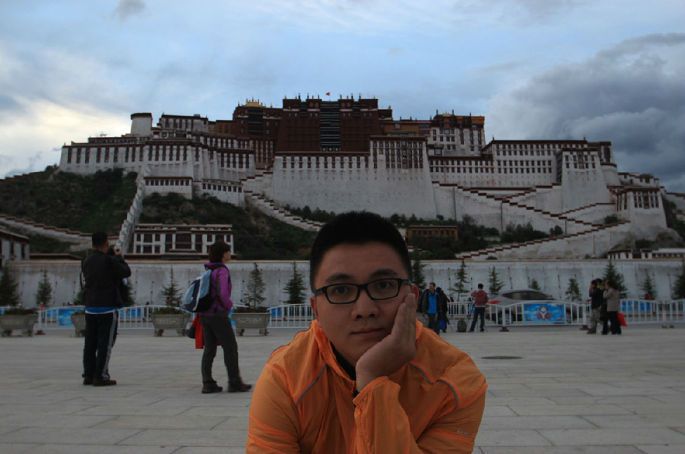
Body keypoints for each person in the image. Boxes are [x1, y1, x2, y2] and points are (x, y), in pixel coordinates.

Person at [247, 211, 487, 453]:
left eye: (383, 285)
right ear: (316, 308)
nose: (364, 310)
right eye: (341, 290)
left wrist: (372, 380)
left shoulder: (454, 383)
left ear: (412, 297)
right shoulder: (286, 380)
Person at [198, 241, 251, 394]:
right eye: (228, 251)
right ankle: (234, 382)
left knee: (209, 349)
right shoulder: (222, 270)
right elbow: (222, 293)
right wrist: (228, 306)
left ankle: (207, 383)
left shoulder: (209, 269)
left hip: (205, 314)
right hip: (218, 314)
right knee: (230, 348)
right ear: (223, 254)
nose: (230, 254)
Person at [81, 232, 130, 386]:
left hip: (90, 307)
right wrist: (119, 257)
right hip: (107, 308)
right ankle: (100, 376)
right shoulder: (109, 260)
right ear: (106, 243)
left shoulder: (86, 260)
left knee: (90, 343)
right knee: (105, 344)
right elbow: (125, 272)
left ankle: (88, 374)